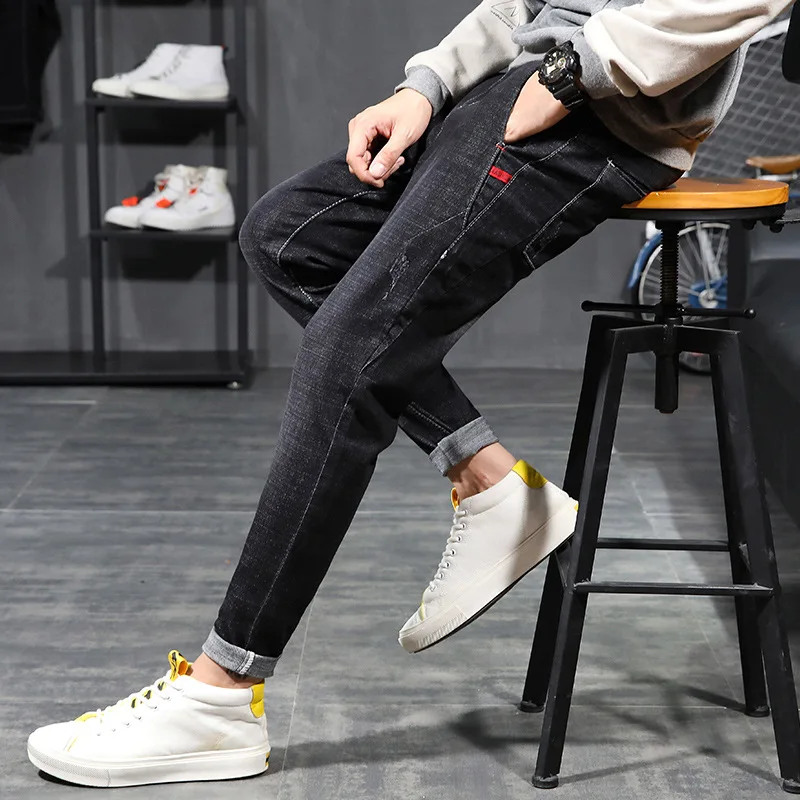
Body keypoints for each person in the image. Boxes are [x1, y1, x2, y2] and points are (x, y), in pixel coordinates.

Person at [26, 0, 792, 789]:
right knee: (287, 238)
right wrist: (425, 87)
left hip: (593, 111)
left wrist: (571, 73)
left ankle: (220, 695)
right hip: (508, 89)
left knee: (345, 353)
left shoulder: (579, 83)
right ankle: (491, 481)